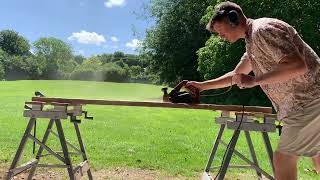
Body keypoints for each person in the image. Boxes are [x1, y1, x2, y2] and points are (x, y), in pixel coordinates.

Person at [186, 1, 320, 180]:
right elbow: (236, 75)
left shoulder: (263, 30)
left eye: (221, 30)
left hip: (309, 101)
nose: (221, 36)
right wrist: (202, 86)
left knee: (283, 159)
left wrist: (254, 80)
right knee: (318, 157)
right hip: (306, 103)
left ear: (234, 18)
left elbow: (297, 66)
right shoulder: (252, 42)